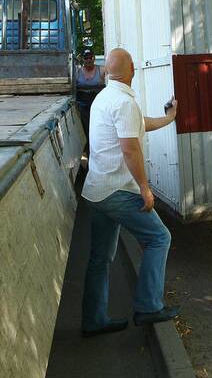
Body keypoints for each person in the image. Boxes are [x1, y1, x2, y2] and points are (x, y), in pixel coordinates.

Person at [81, 48, 180, 337]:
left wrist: (169, 119)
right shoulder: (124, 103)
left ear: (107, 72)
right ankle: (149, 306)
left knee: (100, 257)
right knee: (159, 238)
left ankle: (93, 320)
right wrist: (145, 188)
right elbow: (130, 147)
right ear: (133, 69)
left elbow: (140, 124)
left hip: (96, 191)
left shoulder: (105, 98)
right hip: (116, 191)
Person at [74, 48, 105, 137]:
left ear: (94, 58)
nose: (88, 60)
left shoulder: (102, 70)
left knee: (98, 126)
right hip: (83, 104)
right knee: (85, 126)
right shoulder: (77, 72)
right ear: (83, 59)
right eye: (86, 58)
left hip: (98, 104)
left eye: (90, 57)